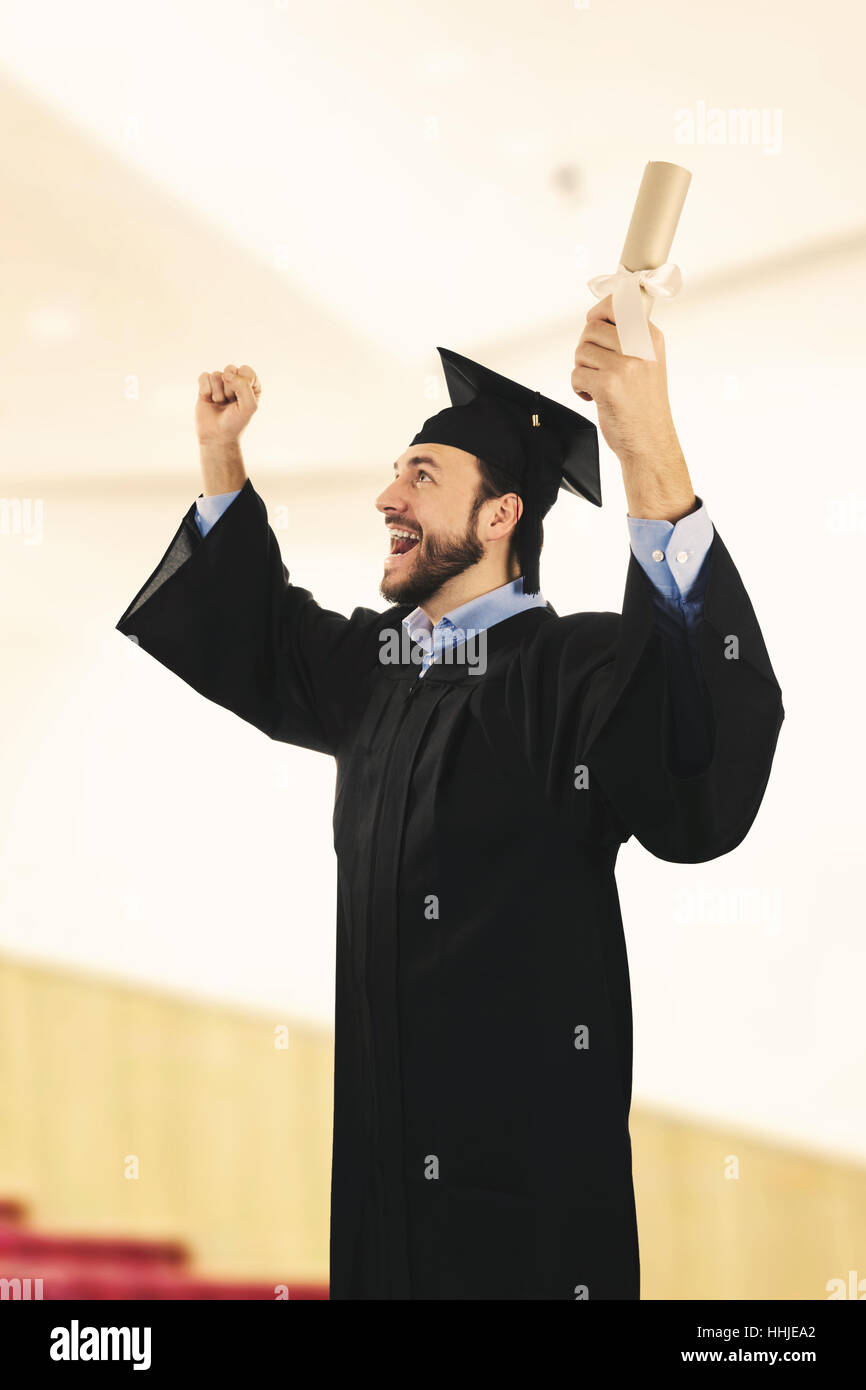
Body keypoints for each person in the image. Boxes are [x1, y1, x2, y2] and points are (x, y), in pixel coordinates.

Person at [116, 297, 784, 1299]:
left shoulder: (565, 668)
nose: (388, 494)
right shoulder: (377, 670)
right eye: (395, 471)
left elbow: (693, 746)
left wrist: (646, 447)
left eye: (420, 476)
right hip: (383, 1205)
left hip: (526, 1221)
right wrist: (220, 459)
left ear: (500, 514)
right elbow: (254, 632)